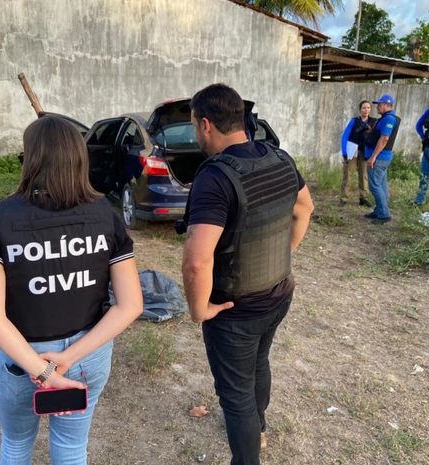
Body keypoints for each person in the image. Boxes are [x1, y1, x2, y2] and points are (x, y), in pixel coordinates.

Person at [0, 115, 143, 465]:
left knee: (16, 445)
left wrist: (43, 370)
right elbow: (130, 305)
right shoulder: (106, 215)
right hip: (87, 354)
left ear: (30, 159)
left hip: (23, 358)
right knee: (72, 449)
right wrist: (67, 359)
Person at [181, 83, 314, 465]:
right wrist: (282, 254)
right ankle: (260, 429)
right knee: (258, 363)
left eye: (194, 124)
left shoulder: (215, 176)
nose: (195, 133)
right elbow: (304, 208)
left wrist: (199, 310)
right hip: (279, 293)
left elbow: (197, 261)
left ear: (206, 124)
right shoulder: (280, 158)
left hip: (234, 310)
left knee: (236, 394)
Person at [363, 94, 401, 225]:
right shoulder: (385, 118)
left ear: (387, 105)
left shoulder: (389, 119)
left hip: (379, 158)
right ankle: (379, 210)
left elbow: (384, 138)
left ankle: (384, 214)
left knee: (374, 186)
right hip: (382, 157)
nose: (377, 107)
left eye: (379, 104)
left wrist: (373, 157)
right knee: (381, 185)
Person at [339, 100, 376, 207]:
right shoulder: (354, 121)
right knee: (348, 174)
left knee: (364, 175)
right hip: (352, 151)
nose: (366, 110)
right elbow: (345, 135)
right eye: (364, 108)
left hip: (365, 152)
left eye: (368, 108)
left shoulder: (373, 122)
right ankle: (344, 198)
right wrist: (344, 152)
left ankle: (363, 198)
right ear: (360, 109)